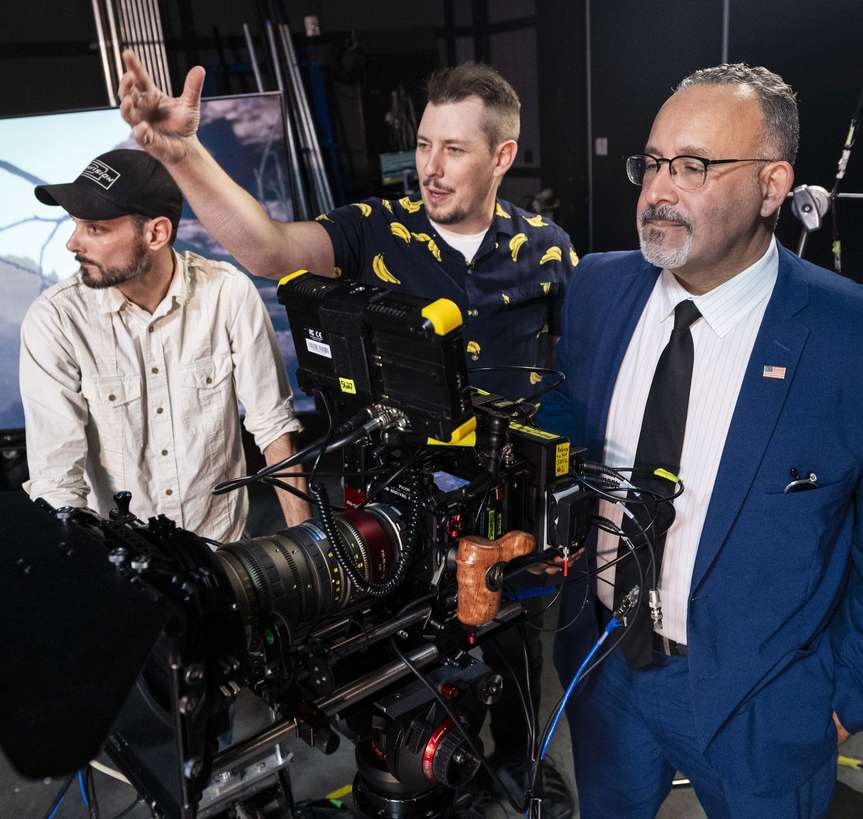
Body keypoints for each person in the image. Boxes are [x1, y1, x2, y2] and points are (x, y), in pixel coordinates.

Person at [117, 51, 576, 814]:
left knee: (513, 642)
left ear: (501, 156)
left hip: (500, 513)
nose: (429, 167)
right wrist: (184, 156)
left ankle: (517, 764)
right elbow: (266, 248)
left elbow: (569, 369)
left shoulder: (548, 250)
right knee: (405, 666)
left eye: (453, 149)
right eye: (425, 144)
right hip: (392, 515)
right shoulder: (374, 230)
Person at [537, 64, 863, 818]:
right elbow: (567, 430)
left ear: (771, 186)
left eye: (694, 166)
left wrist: (838, 698)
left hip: (764, 704)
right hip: (603, 667)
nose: (659, 191)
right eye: (652, 163)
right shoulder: (597, 288)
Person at [20, 148, 308, 541]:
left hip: (221, 548)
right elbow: (57, 478)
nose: (73, 243)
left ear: (156, 233)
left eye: (96, 228)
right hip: (122, 557)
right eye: (75, 224)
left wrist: (309, 544)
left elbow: (273, 427)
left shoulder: (228, 293)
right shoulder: (55, 319)